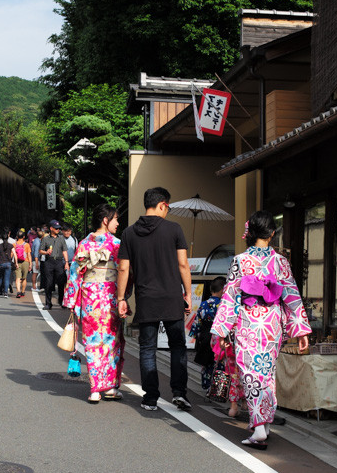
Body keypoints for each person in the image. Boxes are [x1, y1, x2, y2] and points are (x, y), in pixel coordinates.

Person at [211, 211, 311, 449]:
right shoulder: (281, 262)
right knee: (266, 374)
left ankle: (258, 430)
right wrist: (301, 331)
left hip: (248, 322)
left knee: (251, 375)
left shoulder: (240, 260)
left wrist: (223, 329)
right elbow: (292, 297)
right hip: (272, 325)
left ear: (251, 233)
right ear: (272, 234)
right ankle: (264, 424)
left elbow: (231, 297)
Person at [116, 187, 192, 412]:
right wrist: (187, 293)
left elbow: (123, 268)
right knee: (177, 347)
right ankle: (179, 393)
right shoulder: (174, 229)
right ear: (162, 205)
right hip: (171, 298)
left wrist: (121, 298)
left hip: (146, 298)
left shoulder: (129, 233)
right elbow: (183, 265)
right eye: (167, 207)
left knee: (147, 348)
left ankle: (150, 398)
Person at [65, 204, 125, 404]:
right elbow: (124, 272)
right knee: (111, 343)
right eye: (115, 219)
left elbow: (75, 273)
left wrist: (72, 301)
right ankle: (110, 387)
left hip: (89, 298)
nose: (118, 223)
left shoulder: (83, 243)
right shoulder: (116, 244)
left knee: (92, 344)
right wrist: (124, 296)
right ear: (106, 220)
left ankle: (94, 390)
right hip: (109, 298)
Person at [189, 276, 226, 394]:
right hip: (219, 337)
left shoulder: (204, 304)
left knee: (206, 363)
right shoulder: (224, 305)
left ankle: (206, 386)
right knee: (219, 363)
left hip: (205, 336)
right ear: (223, 290)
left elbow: (197, 322)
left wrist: (196, 335)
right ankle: (218, 389)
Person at [39, 220, 68, 309]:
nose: (58, 230)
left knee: (61, 282)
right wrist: (46, 252)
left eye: (59, 228)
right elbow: (40, 251)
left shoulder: (61, 238)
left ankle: (61, 301)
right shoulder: (45, 239)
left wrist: (66, 262)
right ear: (51, 228)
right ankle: (48, 303)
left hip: (59, 262)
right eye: (56, 228)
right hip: (49, 262)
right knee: (49, 283)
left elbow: (64, 251)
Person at [0, 228, 15, 297]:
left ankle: (0, 291)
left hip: (1, 263)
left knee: (1, 277)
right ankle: (6, 292)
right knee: (7, 278)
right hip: (8, 262)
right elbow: (13, 253)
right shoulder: (12, 243)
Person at [13, 230, 32, 298]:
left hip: (17, 262)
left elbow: (12, 254)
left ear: (17, 236)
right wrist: (30, 264)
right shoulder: (26, 245)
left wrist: (14, 262)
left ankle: (18, 291)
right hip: (25, 262)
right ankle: (23, 291)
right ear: (24, 237)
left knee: (18, 278)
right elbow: (29, 255)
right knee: (24, 278)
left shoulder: (14, 245)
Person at [30, 227, 43, 292]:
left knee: (35, 273)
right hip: (36, 259)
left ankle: (34, 286)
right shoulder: (38, 242)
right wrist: (37, 263)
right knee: (35, 273)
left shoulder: (36, 240)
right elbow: (36, 253)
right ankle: (34, 287)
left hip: (35, 259)